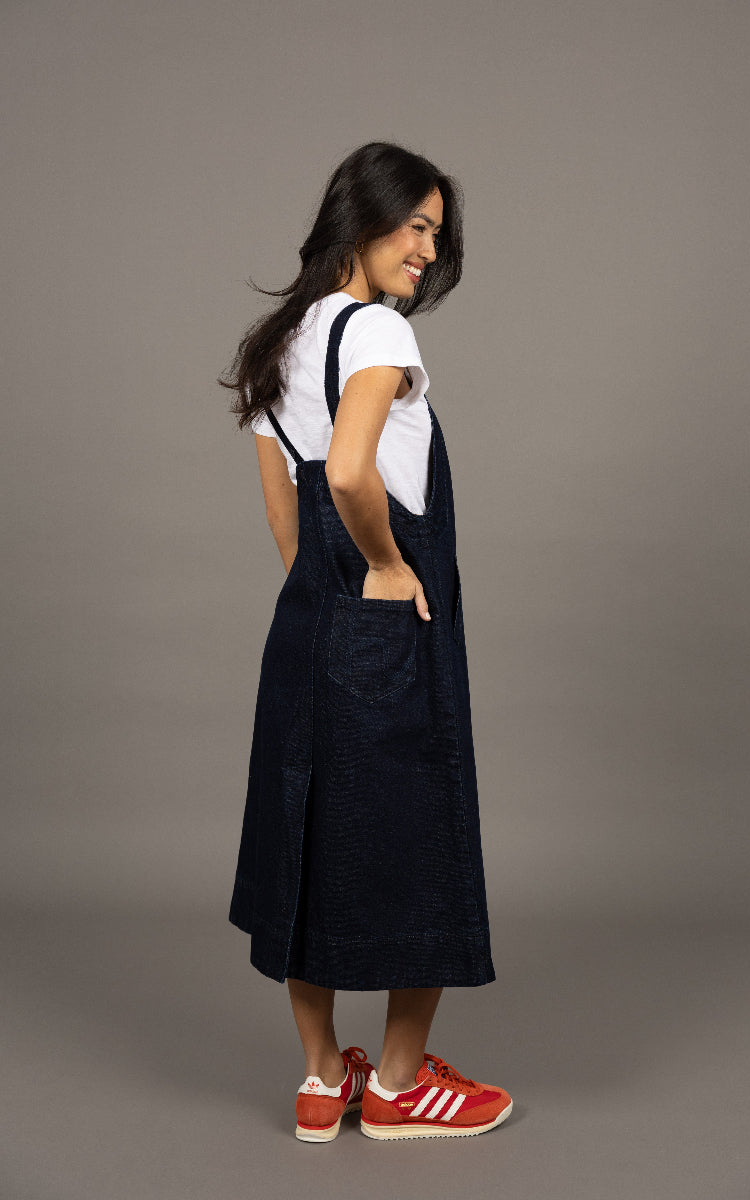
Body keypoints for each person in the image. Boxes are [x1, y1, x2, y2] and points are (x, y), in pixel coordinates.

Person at [219, 142, 512, 1142]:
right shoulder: (378, 332)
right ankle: (393, 1085)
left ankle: (315, 1080)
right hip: (389, 626)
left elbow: (286, 522)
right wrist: (386, 569)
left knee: (307, 834)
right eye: (414, 224)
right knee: (419, 839)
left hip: (308, 623)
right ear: (364, 216)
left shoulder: (281, 340)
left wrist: (333, 591)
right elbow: (349, 473)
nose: (427, 248)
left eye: (437, 230)